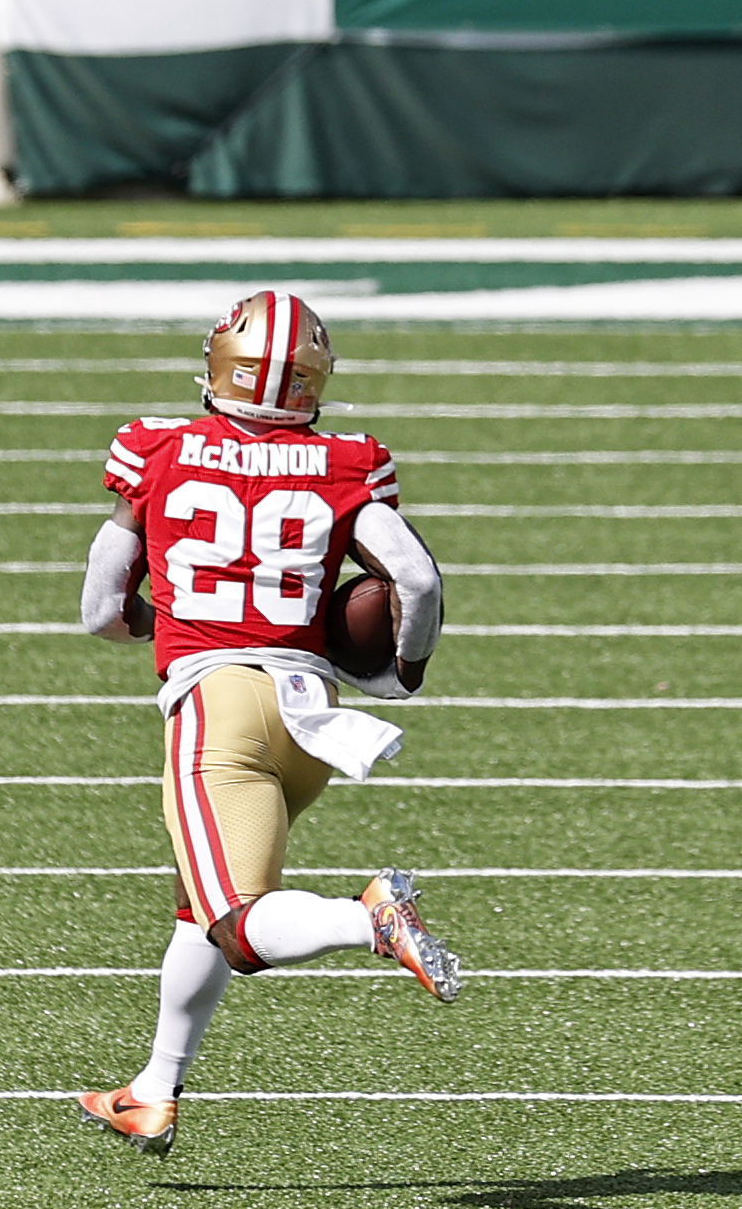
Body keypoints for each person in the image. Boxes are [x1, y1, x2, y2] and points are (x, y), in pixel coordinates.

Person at [73, 289, 456, 1158]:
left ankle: (372, 919)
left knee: (238, 924)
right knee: (195, 906)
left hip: (219, 709)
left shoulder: (159, 448)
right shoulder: (346, 461)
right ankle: (153, 1088)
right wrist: (404, 674)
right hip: (311, 719)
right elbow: (417, 581)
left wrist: (145, 624)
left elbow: (102, 601)